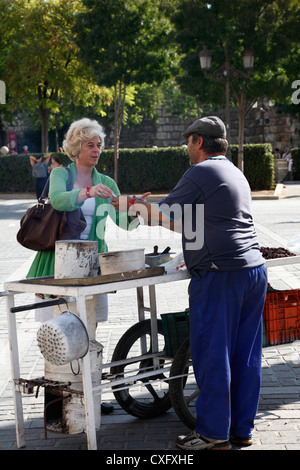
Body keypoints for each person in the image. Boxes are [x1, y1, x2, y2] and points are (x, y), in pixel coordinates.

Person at [112, 115, 268, 450]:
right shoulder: (234, 172)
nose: (187, 147)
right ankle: (242, 430)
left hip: (219, 275)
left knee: (213, 355)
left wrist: (132, 206)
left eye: (188, 141)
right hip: (253, 271)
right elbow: (192, 225)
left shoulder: (201, 171)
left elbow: (165, 216)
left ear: (198, 141)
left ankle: (213, 433)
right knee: (246, 356)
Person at [26, 117, 142, 414]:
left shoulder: (107, 182)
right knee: (57, 331)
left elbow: (122, 224)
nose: (96, 149)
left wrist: (133, 209)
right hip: (57, 263)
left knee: (88, 333)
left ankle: (88, 396)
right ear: (76, 148)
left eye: (99, 144)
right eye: (90, 144)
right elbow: (58, 200)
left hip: (92, 267)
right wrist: (87, 193)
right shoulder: (60, 174)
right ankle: (58, 401)